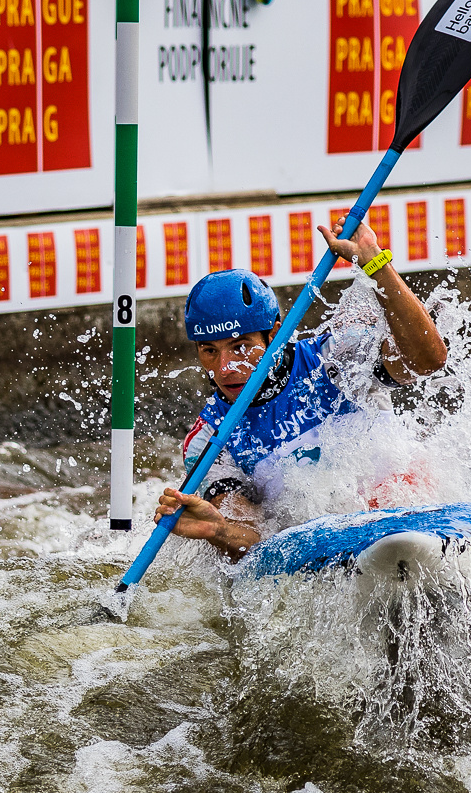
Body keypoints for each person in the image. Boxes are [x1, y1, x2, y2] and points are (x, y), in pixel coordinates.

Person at [156, 221, 448, 560]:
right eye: (209, 351)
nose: (225, 368)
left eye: (240, 346)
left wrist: (376, 264)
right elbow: (256, 537)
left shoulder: (334, 358)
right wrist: (219, 530)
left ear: (274, 334)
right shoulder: (208, 438)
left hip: (411, 514)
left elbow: (428, 361)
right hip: (329, 553)